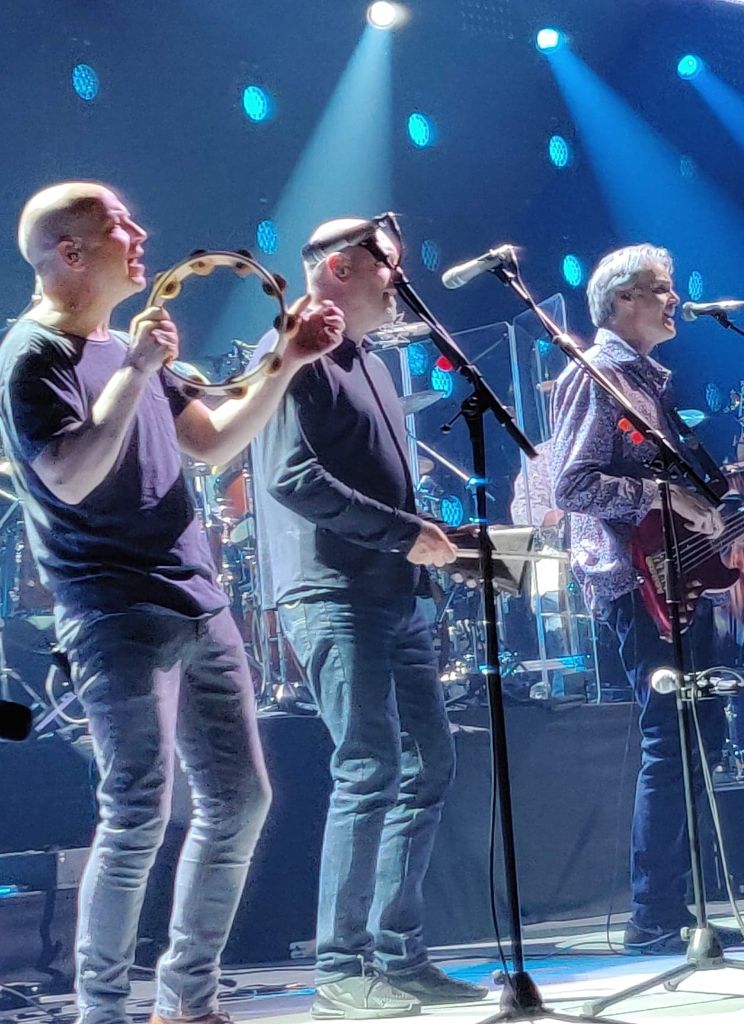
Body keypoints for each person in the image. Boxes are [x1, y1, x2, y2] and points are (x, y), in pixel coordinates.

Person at [0, 181, 344, 1024]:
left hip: (197, 601)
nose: (140, 231)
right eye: (119, 224)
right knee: (136, 812)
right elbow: (70, 475)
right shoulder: (32, 355)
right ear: (71, 253)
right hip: (114, 611)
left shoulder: (128, 347)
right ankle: (103, 1009)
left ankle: (188, 999)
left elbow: (213, 441)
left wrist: (290, 360)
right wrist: (137, 372)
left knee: (240, 801)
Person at [251, 219, 488, 1017]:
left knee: (429, 765)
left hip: (394, 592)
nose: (400, 280)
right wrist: (402, 534)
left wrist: (428, 546)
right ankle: (341, 966)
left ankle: (398, 954)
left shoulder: (372, 364)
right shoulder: (292, 350)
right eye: (390, 265)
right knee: (369, 767)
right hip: (333, 593)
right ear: (343, 267)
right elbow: (289, 477)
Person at [550, 243, 744, 955]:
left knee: (700, 741)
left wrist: (730, 527)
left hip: (678, 575)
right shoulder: (597, 375)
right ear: (620, 300)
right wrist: (663, 494)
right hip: (636, 583)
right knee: (671, 742)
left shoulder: (648, 383)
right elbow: (571, 486)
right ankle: (652, 916)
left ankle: (679, 908)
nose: (675, 300)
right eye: (660, 289)